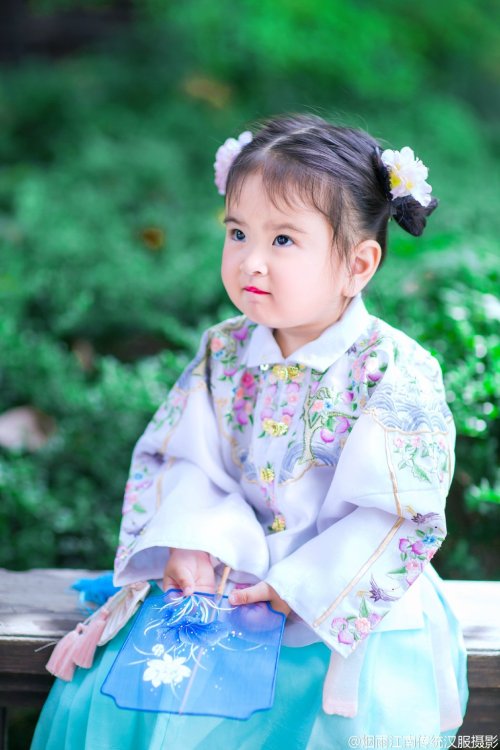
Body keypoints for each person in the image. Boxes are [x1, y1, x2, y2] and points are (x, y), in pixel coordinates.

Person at [31, 113, 468, 750]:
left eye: (284, 240)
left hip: (341, 598)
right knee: (126, 691)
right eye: (237, 233)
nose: (250, 260)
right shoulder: (225, 350)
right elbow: (187, 462)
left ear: (358, 264)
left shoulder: (394, 371)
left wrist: (299, 589)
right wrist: (189, 542)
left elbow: (398, 515)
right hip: (231, 573)